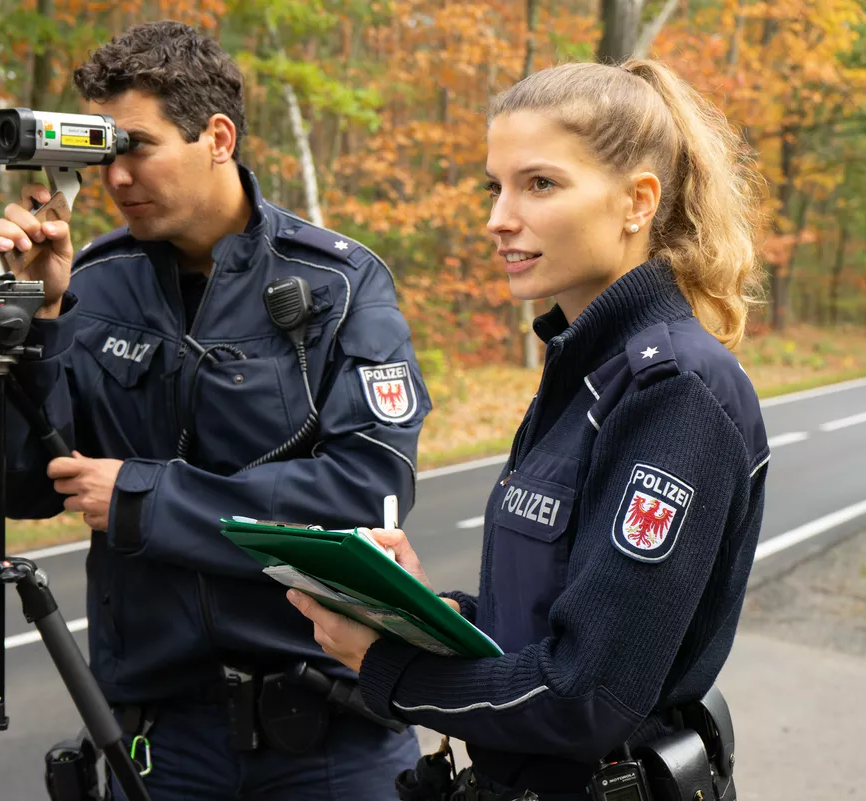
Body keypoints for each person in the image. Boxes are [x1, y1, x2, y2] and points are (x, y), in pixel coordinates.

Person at [0, 20, 430, 801]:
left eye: (137, 146)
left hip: (330, 733)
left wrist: (147, 500)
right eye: (101, 151)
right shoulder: (93, 279)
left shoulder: (339, 284)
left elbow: (367, 492)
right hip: (161, 744)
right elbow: (20, 487)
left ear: (216, 136)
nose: (116, 177)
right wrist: (33, 319)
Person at [288, 58, 769, 800]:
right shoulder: (582, 366)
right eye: (496, 185)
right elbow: (550, 616)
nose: (499, 217)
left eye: (539, 184)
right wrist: (422, 611)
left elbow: (587, 695)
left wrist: (387, 667)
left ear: (637, 201)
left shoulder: (673, 391)